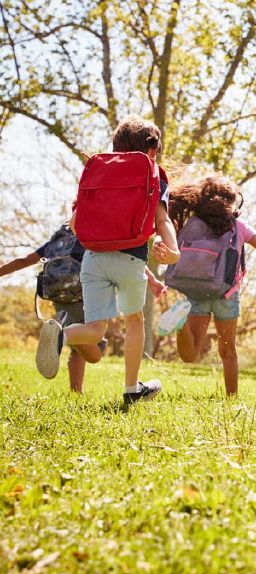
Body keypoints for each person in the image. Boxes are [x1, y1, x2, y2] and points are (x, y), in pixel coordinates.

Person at [36, 115, 180, 405]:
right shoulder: (153, 174)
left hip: (92, 259)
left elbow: (75, 224)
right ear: (152, 150)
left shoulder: (100, 171)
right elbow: (162, 219)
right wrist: (173, 251)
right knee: (134, 320)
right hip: (130, 259)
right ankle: (131, 388)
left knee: (95, 328)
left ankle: (60, 335)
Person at [1, 227, 164, 392]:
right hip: (82, 291)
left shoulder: (57, 241)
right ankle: (59, 337)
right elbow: (121, 256)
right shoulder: (89, 234)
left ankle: (75, 390)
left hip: (58, 295)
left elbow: (25, 260)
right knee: (93, 350)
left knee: (77, 345)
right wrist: (151, 279)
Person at [159, 174, 256, 396]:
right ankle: (231, 398)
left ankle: (181, 325)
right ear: (231, 201)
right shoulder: (237, 226)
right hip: (226, 295)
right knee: (228, 351)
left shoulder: (192, 224)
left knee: (190, 355)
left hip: (196, 291)